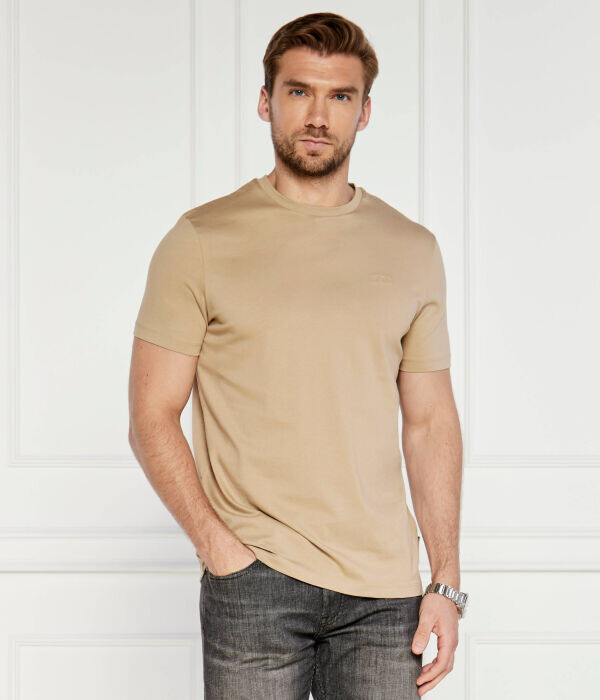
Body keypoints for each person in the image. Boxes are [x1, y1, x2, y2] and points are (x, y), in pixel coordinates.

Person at [128, 11, 466, 699]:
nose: (318, 115)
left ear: (364, 112)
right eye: (298, 91)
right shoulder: (201, 240)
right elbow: (151, 415)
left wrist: (446, 580)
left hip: (385, 594)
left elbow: (430, 420)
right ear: (266, 101)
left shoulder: (411, 249)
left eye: (340, 96)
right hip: (256, 583)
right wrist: (220, 549)